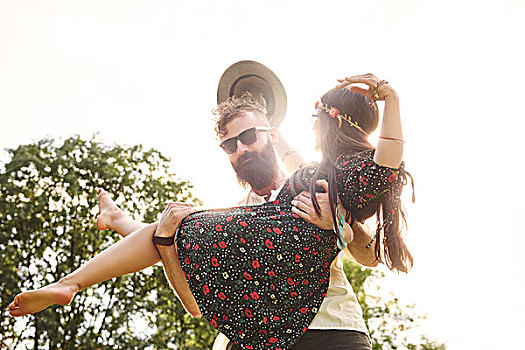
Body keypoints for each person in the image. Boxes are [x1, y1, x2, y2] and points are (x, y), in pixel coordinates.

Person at [9, 73, 413, 350]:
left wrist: (338, 226)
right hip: (249, 338)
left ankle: (114, 227)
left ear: (272, 135)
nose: (241, 148)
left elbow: (371, 256)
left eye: (250, 136)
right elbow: (195, 297)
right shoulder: (239, 219)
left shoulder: (317, 185)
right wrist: (165, 242)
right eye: (230, 145)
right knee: (176, 230)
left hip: (326, 332)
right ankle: (82, 270)